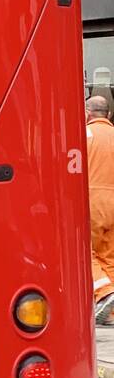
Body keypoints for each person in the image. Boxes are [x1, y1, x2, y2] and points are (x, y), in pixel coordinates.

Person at [86, 95, 114, 326]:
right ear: (109, 115)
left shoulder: (84, 135)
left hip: (93, 198)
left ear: (87, 113)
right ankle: (112, 310)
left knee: (85, 250)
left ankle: (104, 292)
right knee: (109, 255)